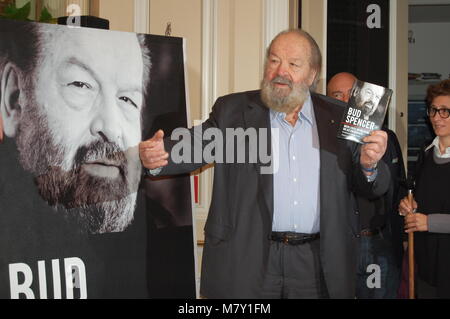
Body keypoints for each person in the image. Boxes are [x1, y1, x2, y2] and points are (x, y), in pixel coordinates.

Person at [140, 29, 391, 299]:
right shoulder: (234, 111)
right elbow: (195, 145)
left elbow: (373, 187)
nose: (280, 71)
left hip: (317, 263)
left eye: (293, 64)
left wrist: (369, 165)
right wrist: (158, 156)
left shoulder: (340, 116)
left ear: (312, 74)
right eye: (274, 61)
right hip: (249, 258)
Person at [0, 20, 150, 234]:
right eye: (80, 85)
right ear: (15, 98)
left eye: (127, 99)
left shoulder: (152, 252)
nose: (111, 128)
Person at [327, 72, 406, 298]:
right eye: (336, 95)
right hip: (339, 246)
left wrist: (401, 238)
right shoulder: (321, 145)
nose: (344, 101)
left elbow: (398, 188)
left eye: (350, 95)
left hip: (378, 245)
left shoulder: (386, 139)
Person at [399, 79, 450, 298]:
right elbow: (421, 198)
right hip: (427, 262)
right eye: (433, 110)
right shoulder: (426, 153)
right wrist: (407, 205)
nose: (436, 117)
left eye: (445, 111)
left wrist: (429, 222)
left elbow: (428, 219)